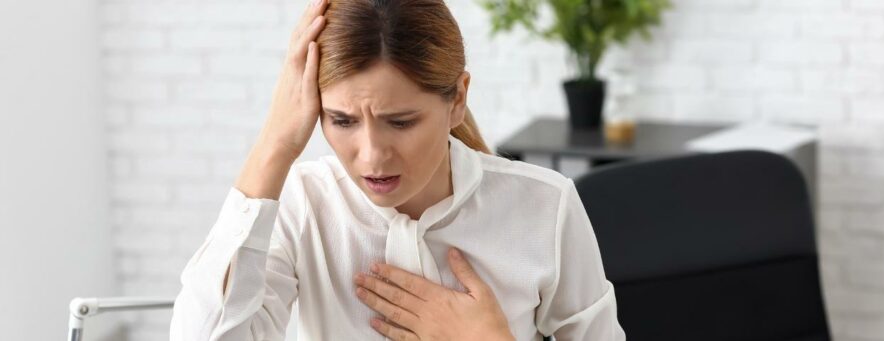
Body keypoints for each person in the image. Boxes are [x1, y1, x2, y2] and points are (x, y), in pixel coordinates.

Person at [169, 0, 625, 340]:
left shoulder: (546, 206)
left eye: (401, 122)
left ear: (457, 100)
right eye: (342, 120)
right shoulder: (302, 203)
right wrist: (276, 143)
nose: (371, 157)